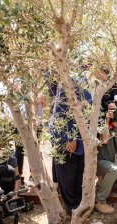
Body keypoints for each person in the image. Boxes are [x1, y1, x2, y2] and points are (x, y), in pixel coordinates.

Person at [47, 75, 88, 215]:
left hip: (82, 139)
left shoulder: (87, 81)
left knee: (78, 174)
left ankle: (78, 206)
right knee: (67, 175)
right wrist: (69, 136)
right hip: (66, 137)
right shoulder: (70, 80)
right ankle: (71, 208)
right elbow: (61, 111)